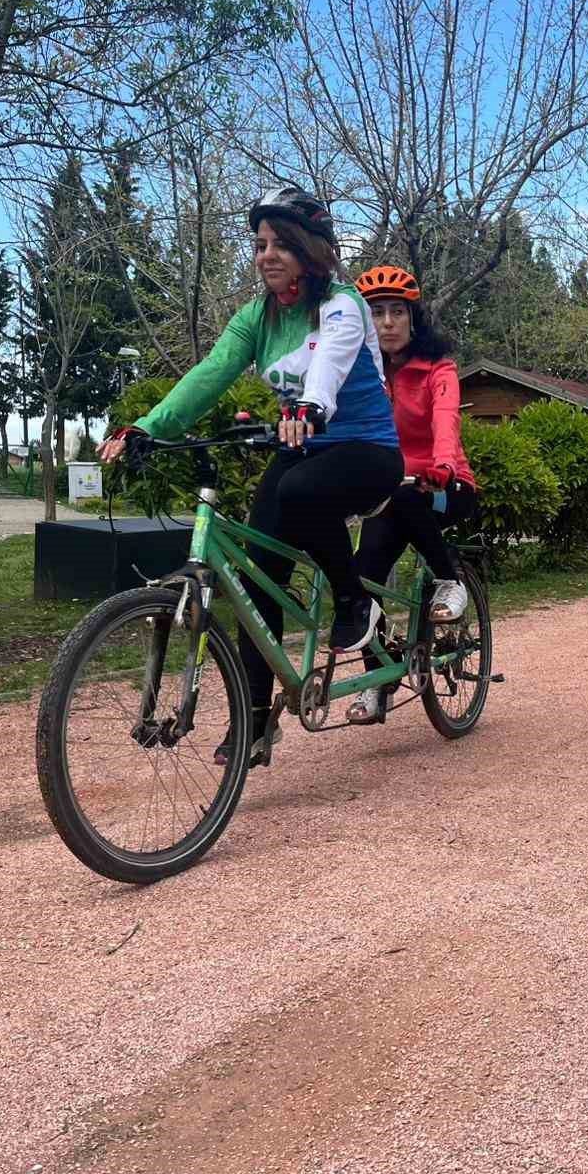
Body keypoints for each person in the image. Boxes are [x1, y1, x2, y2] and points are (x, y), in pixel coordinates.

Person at [98, 187, 403, 766]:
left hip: (366, 451)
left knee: (299, 488)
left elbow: (330, 366)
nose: (266, 254)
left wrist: (310, 410)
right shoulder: (255, 318)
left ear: (311, 251)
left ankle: (353, 602)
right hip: (303, 450)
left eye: (281, 244)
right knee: (257, 583)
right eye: (260, 244)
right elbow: (210, 373)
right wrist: (146, 426)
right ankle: (255, 723)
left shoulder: (341, 304)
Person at [347, 265, 480, 725]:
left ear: (413, 318)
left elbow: (447, 417)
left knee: (406, 499)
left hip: (447, 485)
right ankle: (377, 682)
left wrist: (443, 464)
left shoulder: (437, 368)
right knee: (361, 583)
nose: (387, 322)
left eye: (396, 312)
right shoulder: (362, 373)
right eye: (377, 313)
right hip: (391, 492)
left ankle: (451, 580)